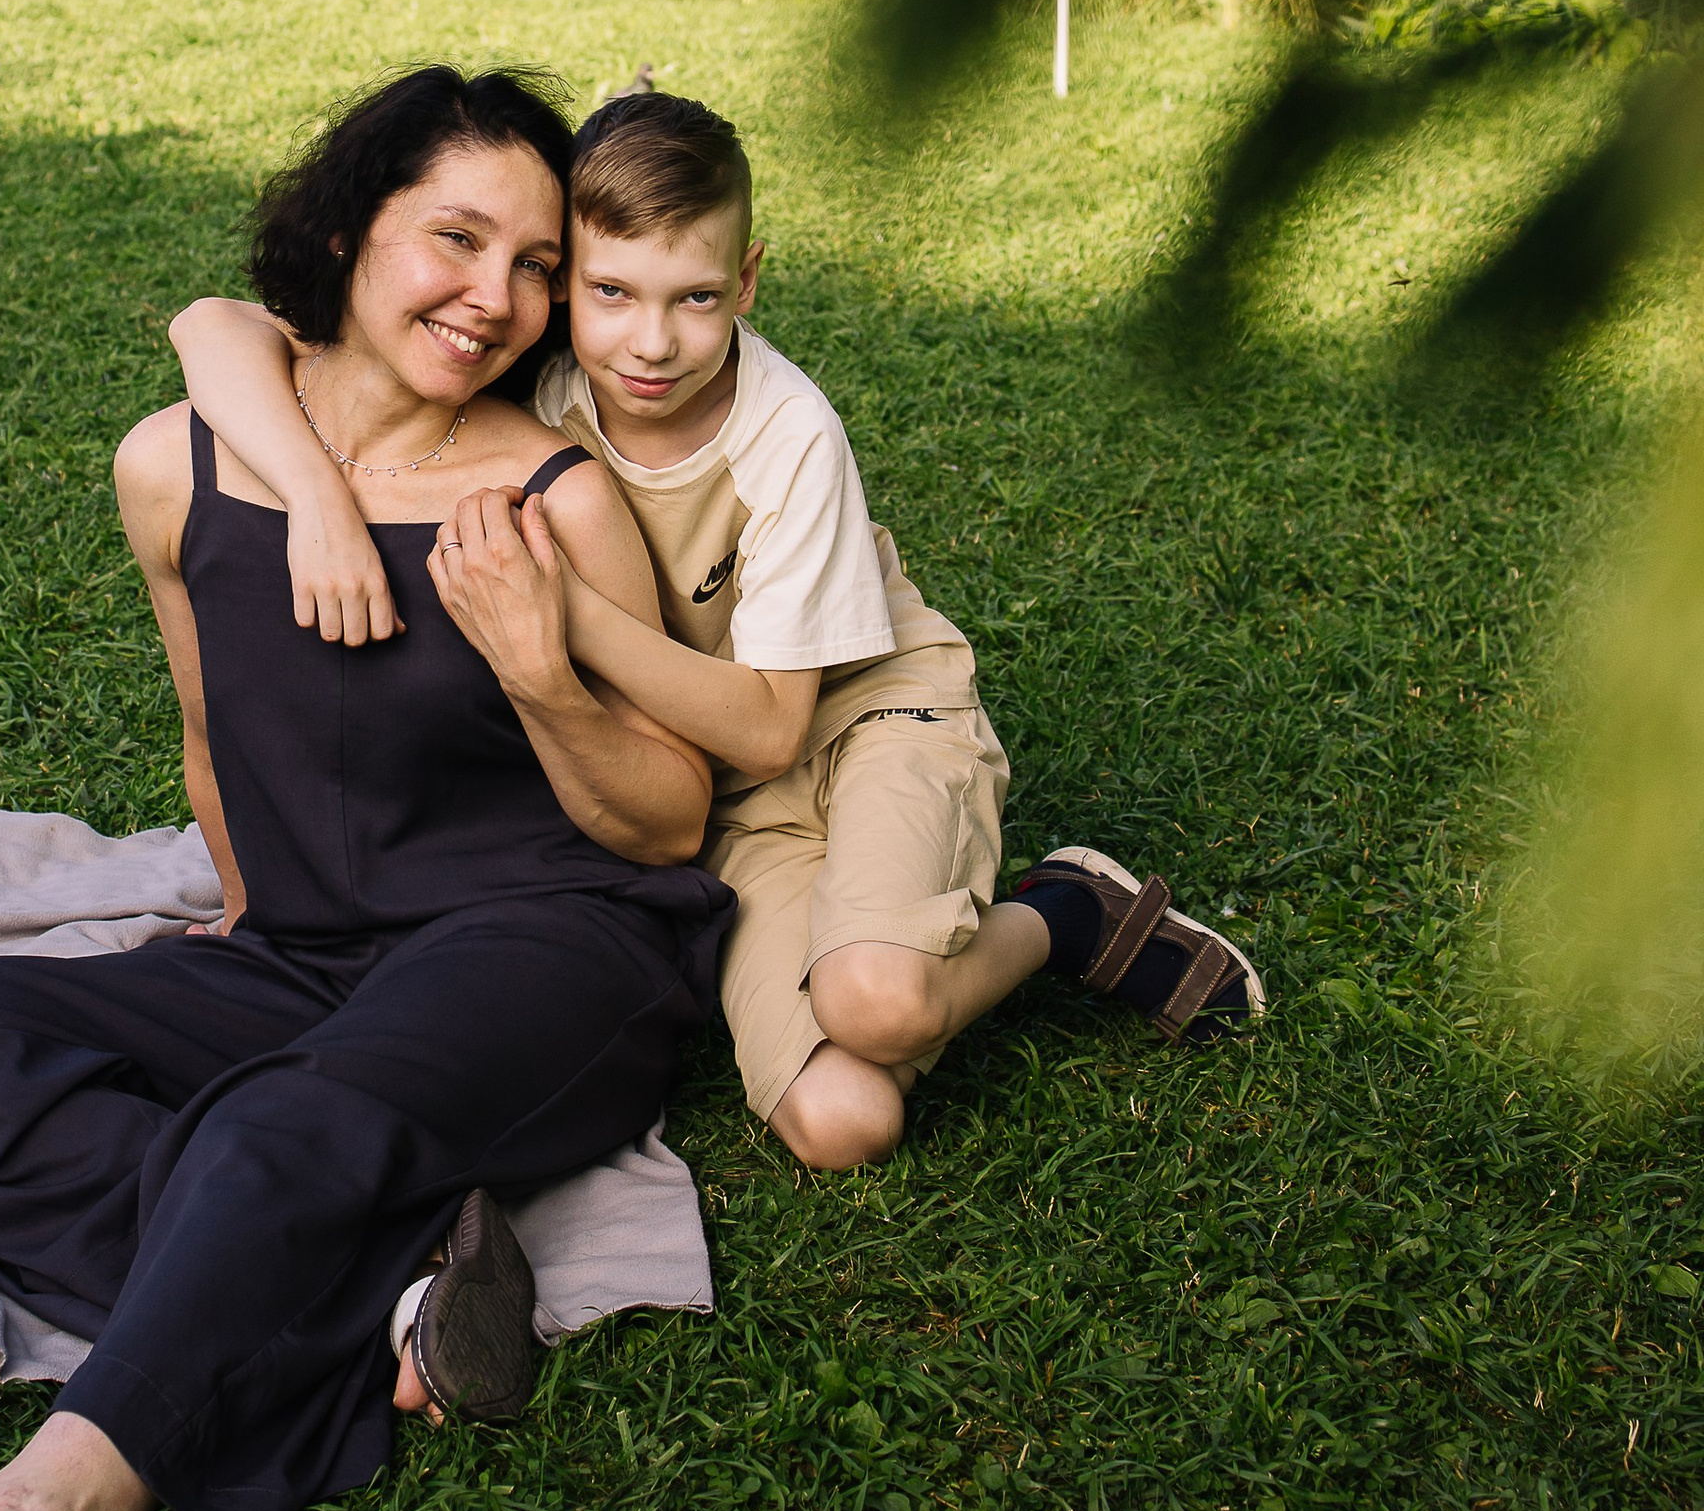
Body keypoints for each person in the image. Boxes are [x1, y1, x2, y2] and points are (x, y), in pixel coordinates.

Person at [0, 69, 731, 1511]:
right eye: (457, 239)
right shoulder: (177, 470)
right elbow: (207, 732)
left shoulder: (551, 496)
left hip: (556, 946)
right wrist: (236, 929)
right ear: (344, 231)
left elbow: (665, 823)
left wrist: (544, 676)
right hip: (307, 951)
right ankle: (386, 1292)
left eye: (534, 266)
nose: (498, 299)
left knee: (280, 1123)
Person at [172, 86, 1265, 1179]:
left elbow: (769, 731)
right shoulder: (535, 358)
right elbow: (211, 326)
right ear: (568, 290)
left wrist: (564, 617)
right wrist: (315, 495)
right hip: (711, 799)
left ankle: (1064, 914)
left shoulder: (787, 436)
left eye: (695, 298)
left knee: (874, 1005)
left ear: (744, 283)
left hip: (860, 719)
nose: (650, 343)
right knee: (844, 1125)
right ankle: (1007, 925)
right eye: (607, 291)